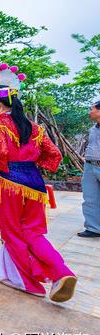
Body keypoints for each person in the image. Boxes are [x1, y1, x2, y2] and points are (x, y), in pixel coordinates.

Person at [0, 63, 76, 302]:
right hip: (35, 184)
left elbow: (0, 155)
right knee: (34, 233)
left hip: (8, 183)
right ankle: (61, 272)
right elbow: (54, 155)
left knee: (13, 234)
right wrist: (31, 164)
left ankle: (30, 282)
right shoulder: (35, 128)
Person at [78, 101, 100, 238]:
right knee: (90, 198)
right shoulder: (92, 129)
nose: (89, 111)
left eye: (91, 109)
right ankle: (93, 228)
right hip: (90, 166)